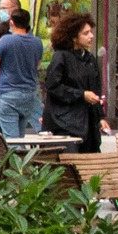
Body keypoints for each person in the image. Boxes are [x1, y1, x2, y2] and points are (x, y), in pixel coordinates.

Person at [42, 11, 107, 153]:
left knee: (90, 168)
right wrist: (81, 95)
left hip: (88, 125)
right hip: (64, 124)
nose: (91, 36)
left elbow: (95, 91)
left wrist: (100, 118)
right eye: (86, 33)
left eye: (91, 32)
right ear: (74, 37)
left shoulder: (90, 59)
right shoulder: (61, 57)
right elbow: (54, 87)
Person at [0, 6, 45, 140]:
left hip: (8, 94)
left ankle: (15, 160)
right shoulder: (37, 42)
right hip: (29, 94)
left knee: (11, 139)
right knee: (20, 136)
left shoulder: (6, 40)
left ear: (11, 23)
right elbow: (37, 64)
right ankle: (22, 160)